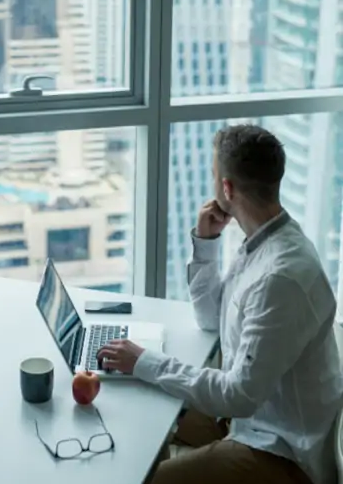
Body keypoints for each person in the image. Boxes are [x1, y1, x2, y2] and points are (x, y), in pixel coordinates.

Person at [98, 124, 343, 484]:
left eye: (215, 176)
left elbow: (237, 396)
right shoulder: (262, 245)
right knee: (137, 403)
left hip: (282, 453)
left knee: (144, 477)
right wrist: (207, 242)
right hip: (247, 422)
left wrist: (145, 360)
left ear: (226, 187)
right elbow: (211, 318)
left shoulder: (280, 277)